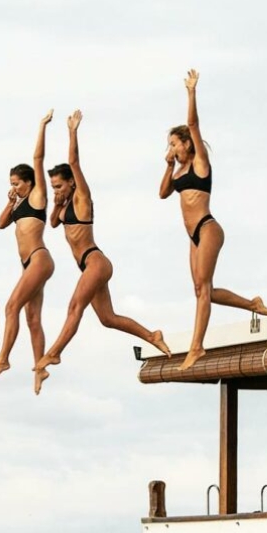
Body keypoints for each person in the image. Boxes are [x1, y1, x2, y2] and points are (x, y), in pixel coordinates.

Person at [34, 110, 170, 381]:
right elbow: (51, 224)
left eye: (59, 185)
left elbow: (73, 161)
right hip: (88, 265)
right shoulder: (63, 204)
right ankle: (152, 335)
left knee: (75, 306)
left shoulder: (82, 197)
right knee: (107, 319)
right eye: (52, 186)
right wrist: (57, 203)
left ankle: (55, 351)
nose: (55, 190)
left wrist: (72, 132)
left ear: (72, 182)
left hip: (95, 261)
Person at [161, 69, 267, 371]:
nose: (171, 148)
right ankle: (253, 303)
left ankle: (196, 347)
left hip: (208, 228)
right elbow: (163, 193)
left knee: (203, 290)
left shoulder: (201, 161)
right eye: (170, 145)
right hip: (192, 237)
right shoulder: (176, 172)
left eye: (174, 144)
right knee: (204, 292)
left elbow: (193, 123)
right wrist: (166, 166)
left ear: (187, 144)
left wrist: (191, 92)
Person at [0, 110, 55, 395]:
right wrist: (10, 201)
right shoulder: (17, 203)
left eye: (16, 182)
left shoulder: (38, 195)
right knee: (32, 319)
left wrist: (41, 126)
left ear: (28, 182)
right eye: (11, 183)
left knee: (10, 307)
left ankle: (3, 359)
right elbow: (1, 224)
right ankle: (40, 369)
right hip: (28, 264)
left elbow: (38, 160)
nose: (13, 186)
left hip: (39, 258)